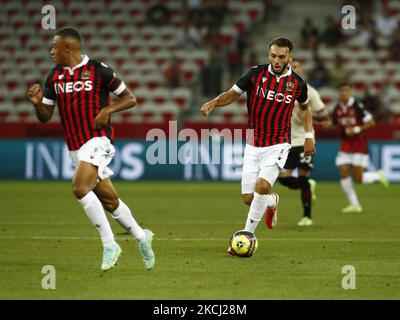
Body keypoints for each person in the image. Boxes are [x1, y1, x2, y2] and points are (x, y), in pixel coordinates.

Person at [26, 28, 155, 271]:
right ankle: (141, 237)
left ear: (68, 48)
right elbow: (45, 116)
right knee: (109, 200)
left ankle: (109, 244)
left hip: (98, 140)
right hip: (75, 148)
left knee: (79, 187)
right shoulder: (54, 77)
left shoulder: (99, 70)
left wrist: (107, 110)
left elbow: (130, 98)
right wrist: (36, 104)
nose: (51, 51)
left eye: (54, 47)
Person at [200, 37, 315, 254]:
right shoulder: (255, 74)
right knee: (249, 199)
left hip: (279, 143)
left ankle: (245, 236)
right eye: (273, 55)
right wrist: (214, 102)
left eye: (281, 56)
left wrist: (309, 134)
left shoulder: (298, 84)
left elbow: (305, 108)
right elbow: (232, 94)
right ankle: (272, 202)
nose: (277, 60)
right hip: (253, 144)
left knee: (262, 186)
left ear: (291, 56)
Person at [278, 60, 330, 226]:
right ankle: (307, 185)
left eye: (295, 67)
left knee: (302, 176)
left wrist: (308, 116)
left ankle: (307, 216)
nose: (292, 70)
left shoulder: (309, 91)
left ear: (300, 70)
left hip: (304, 140)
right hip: (287, 142)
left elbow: (325, 116)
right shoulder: (279, 89)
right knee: (283, 178)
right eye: (289, 68)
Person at [328, 82, 389, 213]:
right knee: (343, 171)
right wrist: (329, 125)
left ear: (351, 92)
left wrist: (357, 129)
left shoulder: (357, 106)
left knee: (358, 179)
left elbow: (371, 122)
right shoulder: (337, 108)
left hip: (359, 144)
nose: (344, 93)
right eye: (342, 91)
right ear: (339, 93)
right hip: (345, 144)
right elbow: (333, 123)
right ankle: (355, 204)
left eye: (346, 91)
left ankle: (377, 176)